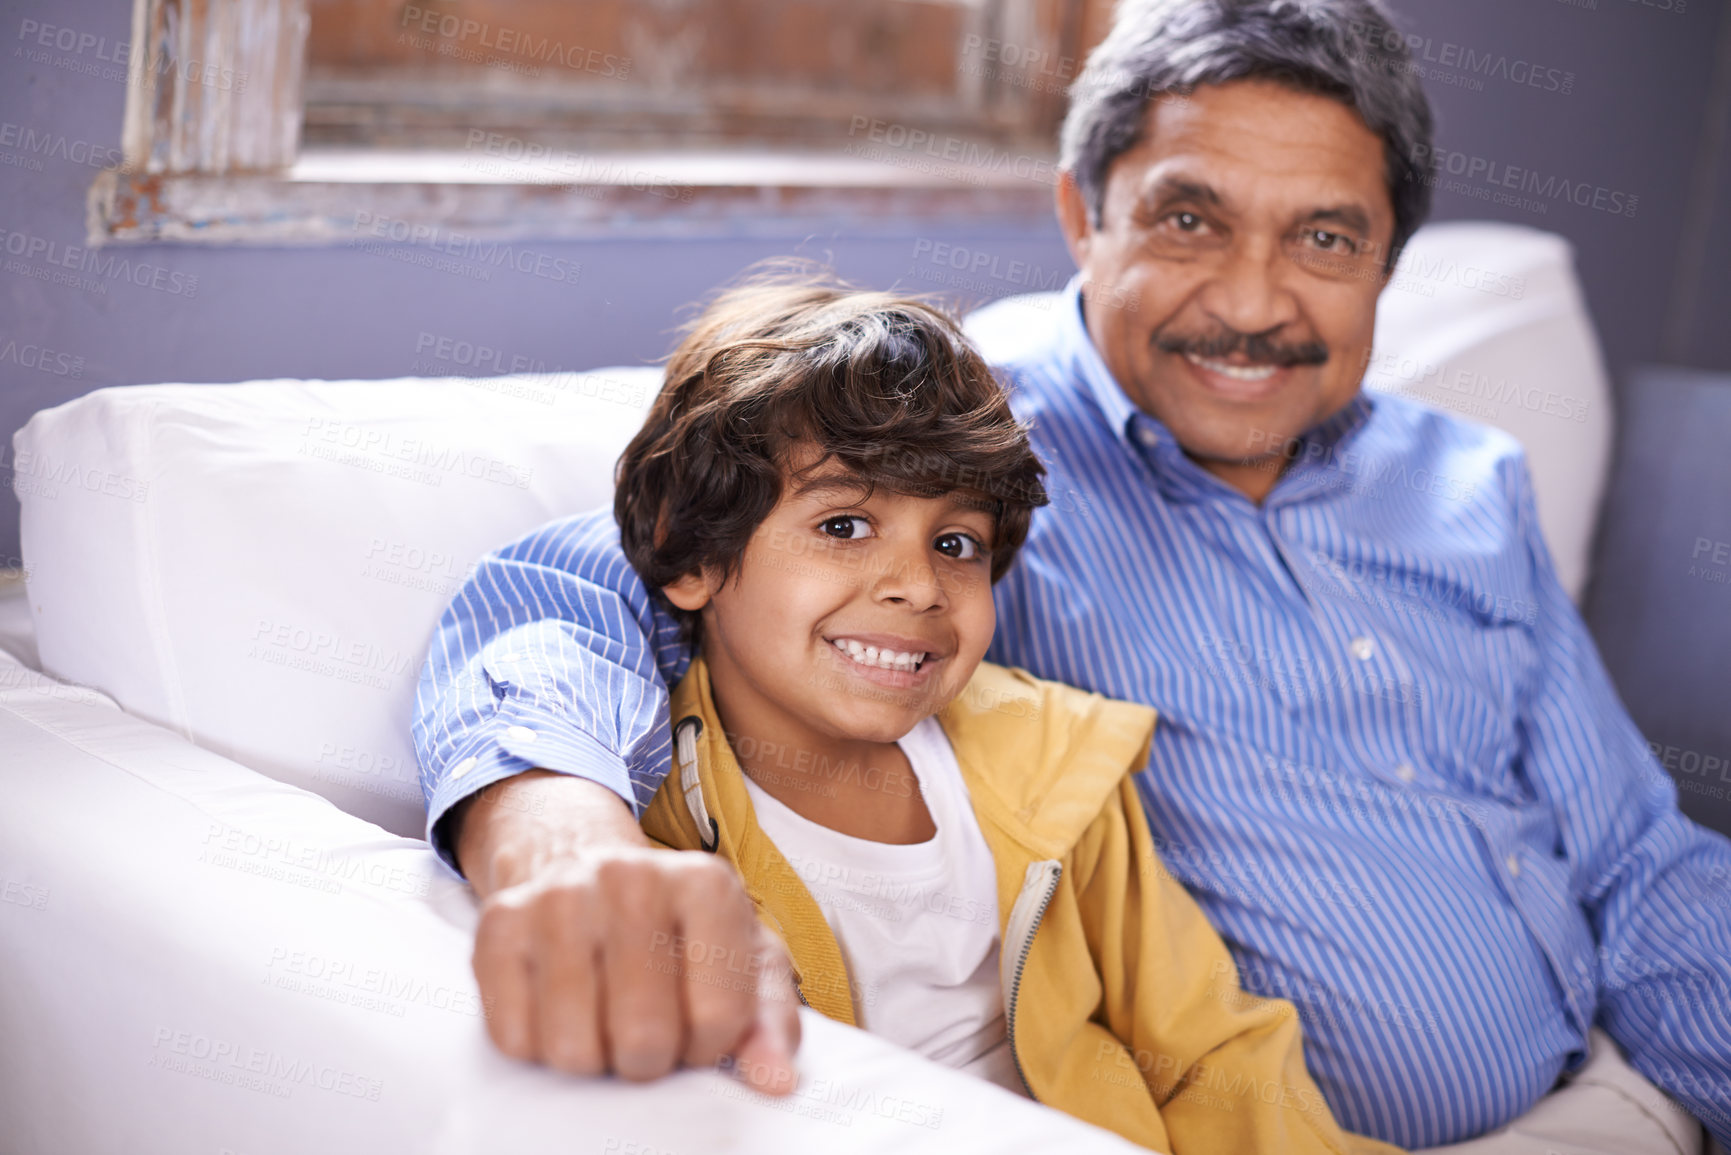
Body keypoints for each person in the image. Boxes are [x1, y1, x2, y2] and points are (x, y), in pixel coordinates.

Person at [413, 0, 1731, 1148]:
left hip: (1618, 1082)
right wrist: (555, 833)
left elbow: (1630, 847)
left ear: (1386, 258)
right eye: (1188, 218)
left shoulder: (1466, 478)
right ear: (1079, 215)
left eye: (1324, 239)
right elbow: (589, 579)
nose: (1252, 302)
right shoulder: (970, 454)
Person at [606, 271, 1400, 1151]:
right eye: (843, 525)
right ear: (692, 554)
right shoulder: (650, 811)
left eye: (955, 543)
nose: (916, 585)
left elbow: (1213, 1048)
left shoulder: (1051, 760)